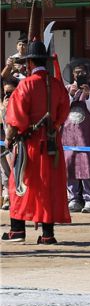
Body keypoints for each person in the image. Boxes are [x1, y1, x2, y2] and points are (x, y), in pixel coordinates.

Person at [1, 40, 71, 244]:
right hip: (52, 144)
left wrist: (9, 138)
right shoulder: (57, 84)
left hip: (29, 144)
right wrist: (55, 126)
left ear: (30, 63)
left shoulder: (26, 85)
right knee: (48, 186)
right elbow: (64, 111)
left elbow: (16, 118)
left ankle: (17, 230)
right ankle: (48, 234)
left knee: (20, 183)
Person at [61, 58, 90, 214]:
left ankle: (88, 198)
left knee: (86, 164)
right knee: (70, 163)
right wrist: (69, 95)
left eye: (82, 72)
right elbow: (60, 110)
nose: (79, 75)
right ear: (73, 74)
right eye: (76, 72)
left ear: (88, 74)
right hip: (68, 134)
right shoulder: (67, 89)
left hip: (87, 135)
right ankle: (73, 197)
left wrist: (87, 95)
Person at [1, 76, 19, 210]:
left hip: (19, 142)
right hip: (6, 142)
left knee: (18, 173)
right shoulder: (4, 104)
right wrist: (5, 108)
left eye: (11, 92)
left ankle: (18, 199)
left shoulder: (21, 102)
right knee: (5, 172)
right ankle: (8, 197)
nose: (8, 95)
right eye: (5, 93)